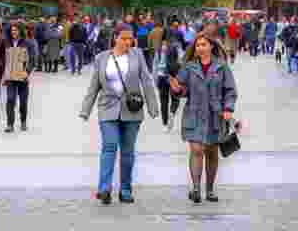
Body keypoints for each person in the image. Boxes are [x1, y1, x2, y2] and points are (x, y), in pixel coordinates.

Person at [80, 24, 159, 205]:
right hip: (107, 108)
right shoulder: (101, 58)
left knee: (127, 151)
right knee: (109, 146)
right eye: (123, 38)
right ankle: (104, 188)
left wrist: (153, 107)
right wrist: (86, 109)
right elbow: (94, 86)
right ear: (115, 37)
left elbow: (146, 81)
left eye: (130, 38)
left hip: (132, 109)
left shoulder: (137, 55)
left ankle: (125, 189)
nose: (127, 42)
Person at [169, 34, 238, 204]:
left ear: (211, 47)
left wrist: (228, 108)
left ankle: (210, 189)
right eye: (198, 45)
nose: (200, 48)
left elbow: (230, 91)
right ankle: (196, 188)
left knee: (212, 152)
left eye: (203, 44)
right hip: (194, 114)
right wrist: (177, 89)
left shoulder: (222, 67)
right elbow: (182, 90)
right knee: (196, 150)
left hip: (216, 116)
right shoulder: (189, 67)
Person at [3, 24, 36, 133]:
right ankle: (9, 124)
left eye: (16, 30)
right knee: (10, 99)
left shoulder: (28, 43)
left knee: (23, 102)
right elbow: (3, 59)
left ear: (20, 31)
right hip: (10, 77)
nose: (14, 32)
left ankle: (23, 122)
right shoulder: (7, 43)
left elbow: (32, 60)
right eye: (12, 30)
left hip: (22, 77)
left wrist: (27, 72)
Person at [154, 33, 182, 132]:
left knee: (163, 101)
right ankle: (172, 112)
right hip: (173, 76)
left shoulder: (159, 49)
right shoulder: (176, 47)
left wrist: (155, 80)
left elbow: (155, 65)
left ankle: (165, 124)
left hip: (162, 76)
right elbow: (181, 61)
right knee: (175, 98)